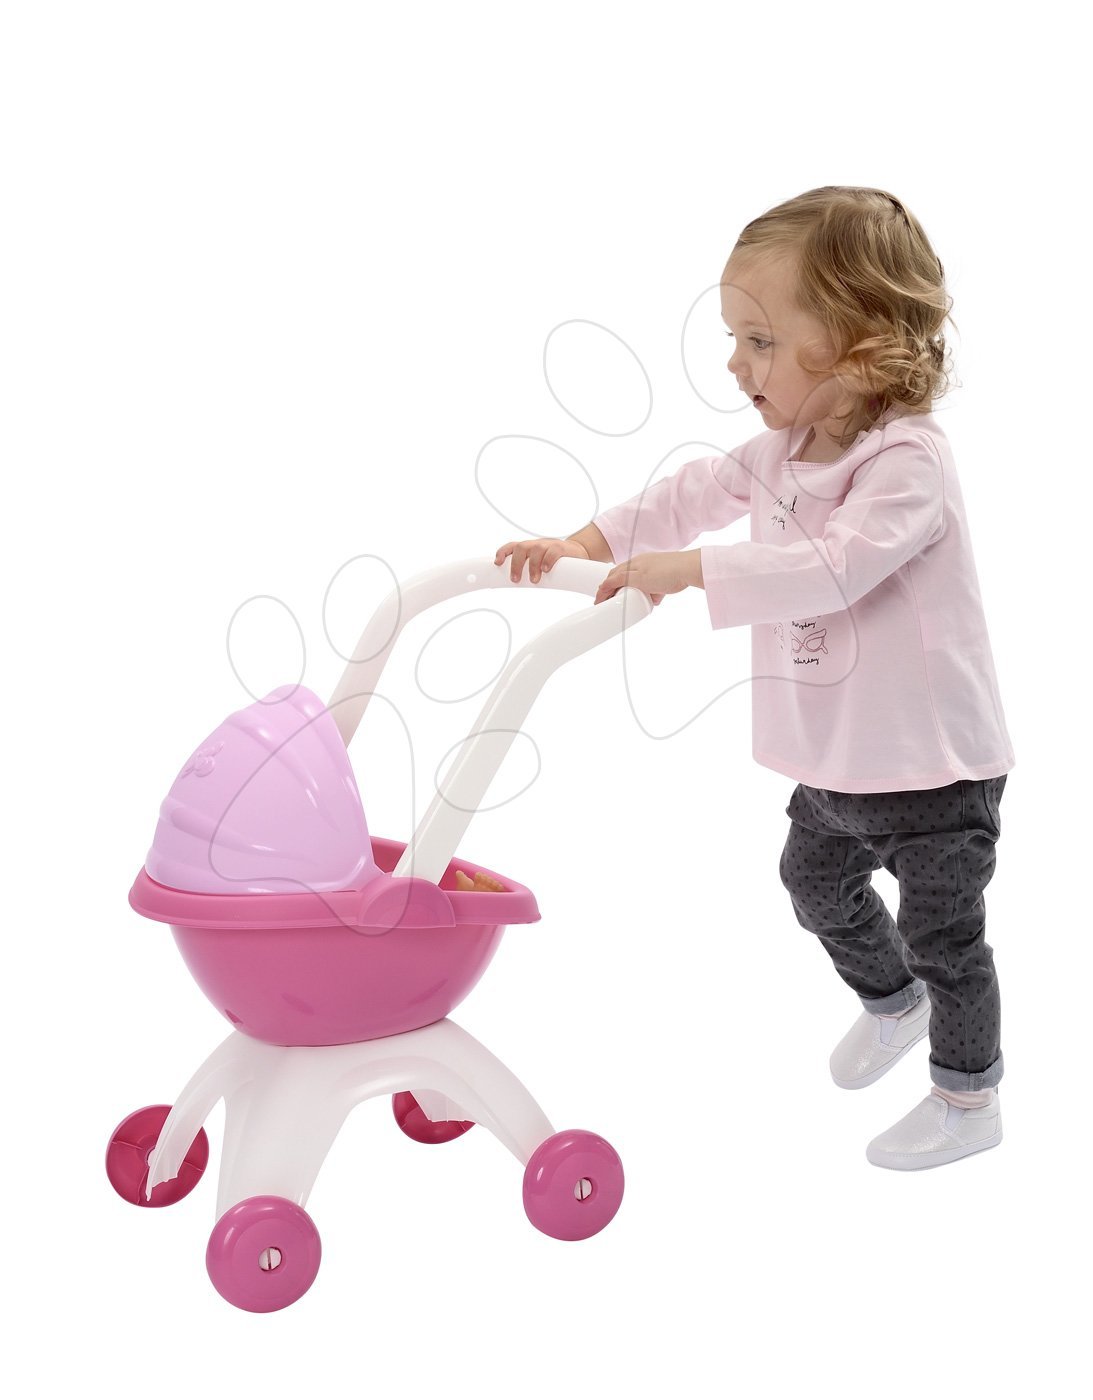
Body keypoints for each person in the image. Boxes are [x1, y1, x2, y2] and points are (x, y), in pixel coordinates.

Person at [494, 186, 1015, 1171]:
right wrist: (588, 542)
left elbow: (834, 566)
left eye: (761, 341)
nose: (735, 364)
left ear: (859, 347)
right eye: (734, 338)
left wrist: (690, 572)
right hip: (840, 760)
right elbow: (691, 494)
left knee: (945, 936)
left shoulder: (907, 464)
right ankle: (891, 1002)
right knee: (810, 881)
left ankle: (966, 1096)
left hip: (934, 769)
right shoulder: (781, 450)